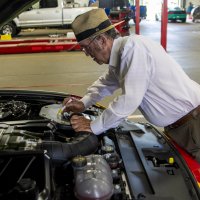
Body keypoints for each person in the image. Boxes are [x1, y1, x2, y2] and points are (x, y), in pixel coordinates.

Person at [63, 8, 200, 162]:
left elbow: (129, 100)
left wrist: (94, 126)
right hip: (180, 127)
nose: (87, 53)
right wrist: (83, 103)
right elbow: (105, 83)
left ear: (101, 40)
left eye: (86, 47)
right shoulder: (121, 55)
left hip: (194, 126)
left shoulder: (134, 49)